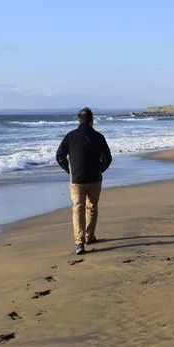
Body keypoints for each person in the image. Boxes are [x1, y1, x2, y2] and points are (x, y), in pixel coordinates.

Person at [56, 107, 113, 254]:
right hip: (94, 178)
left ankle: (79, 243)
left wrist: (69, 170)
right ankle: (89, 236)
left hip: (77, 179)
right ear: (92, 121)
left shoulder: (70, 136)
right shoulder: (98, 137)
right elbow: (107, 158)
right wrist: (100, 169)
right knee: (92, 207)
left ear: (78, 120)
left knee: (78, 209)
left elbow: (60, 156)